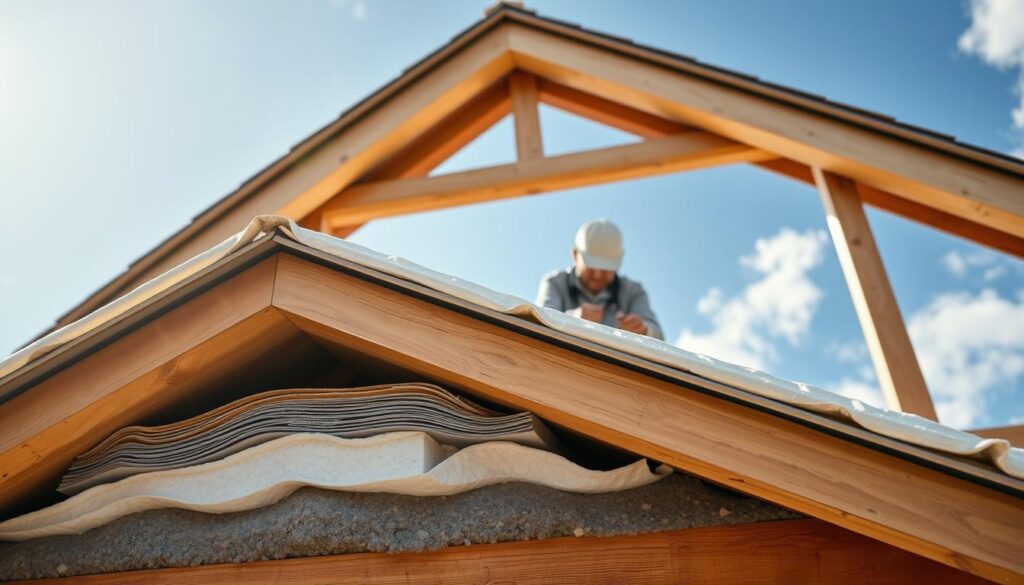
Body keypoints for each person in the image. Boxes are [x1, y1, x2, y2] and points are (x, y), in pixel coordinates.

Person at [535, 219, 664, 340]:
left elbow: (659, 336)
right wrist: (573, 319)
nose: (598, 275)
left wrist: (643, 330)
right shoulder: (554, 282)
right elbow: (539, 322)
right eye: (591, 266)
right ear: (575, 255)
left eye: (606, 269)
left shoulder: (633, 291)